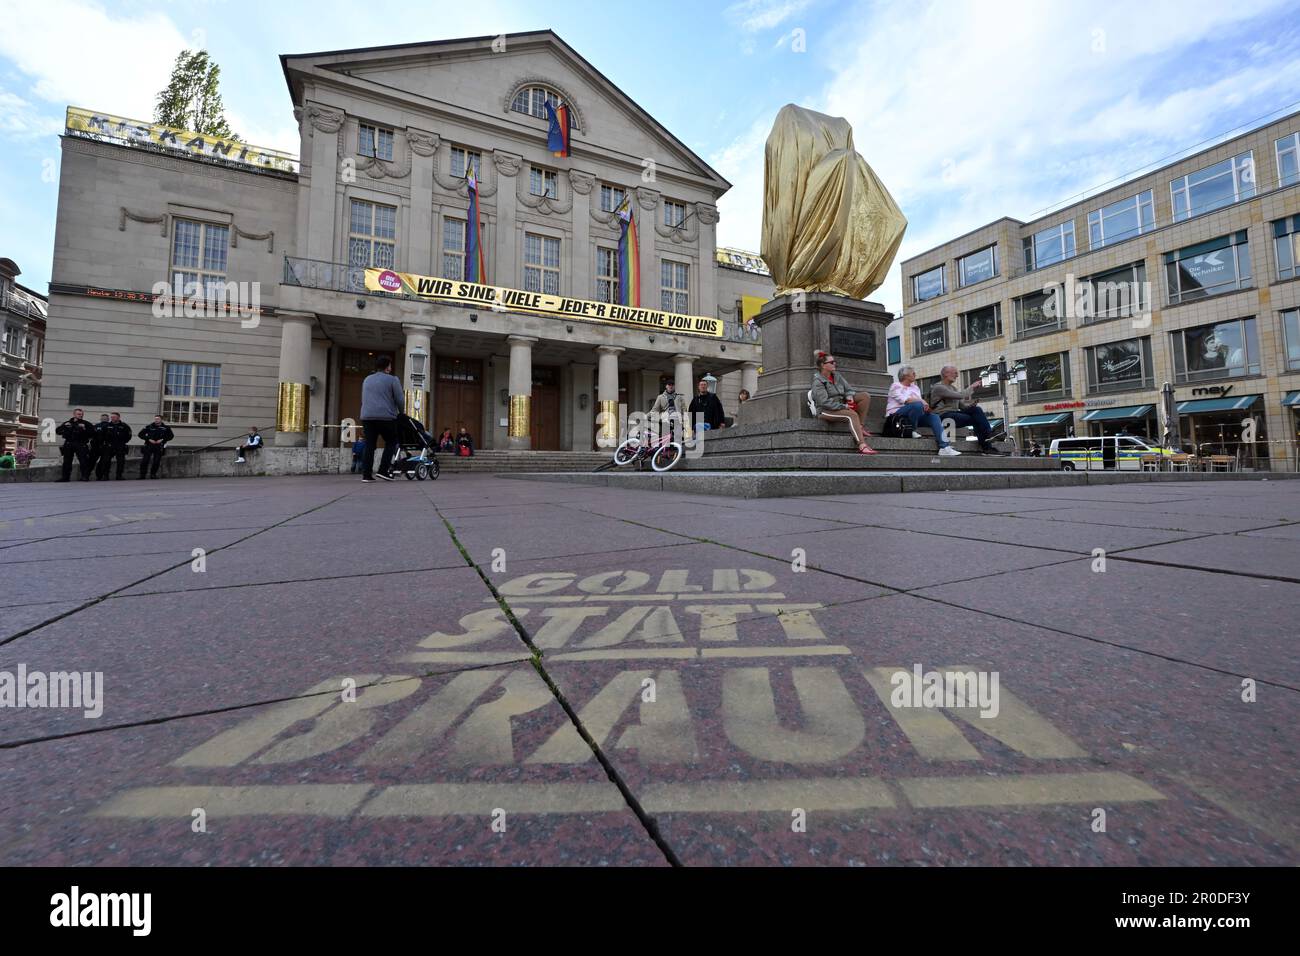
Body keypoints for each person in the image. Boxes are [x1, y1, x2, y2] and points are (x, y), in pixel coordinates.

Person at [810, 351, 875, 454]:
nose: (834, 364)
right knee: (852, 414)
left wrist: (849, 397)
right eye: (831, 362)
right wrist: (844, 406)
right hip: (825, 410)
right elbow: (824, 402)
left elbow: (848, 389)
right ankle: (862, 444)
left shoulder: (837, 376)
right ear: (823, 365)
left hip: (841, 405)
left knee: (865, 396)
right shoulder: (818, 382)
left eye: (834, 362)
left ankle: (860, 426)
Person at [929, 365, 1001, 455]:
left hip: (954, 414)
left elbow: (962, 407)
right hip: (943, 416)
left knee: (976, 410)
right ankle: (987, 440)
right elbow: (960, 395)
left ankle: (987, 443)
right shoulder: (938, 387)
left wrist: (971, 405)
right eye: (955, 373)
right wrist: (972, 387)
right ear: (946, 374)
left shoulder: (954, 388)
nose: (957, 376)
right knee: (976, 419)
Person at [888, 366, 959, 456]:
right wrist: (922, 401)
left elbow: (920, 404)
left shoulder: (915, 388)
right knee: (917, 405)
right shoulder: (895, 386)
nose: (915, 375)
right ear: (905, 375)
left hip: (914, 414)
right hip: (897, 415)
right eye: (913, 373)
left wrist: (926, 407)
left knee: (934, 416)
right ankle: (912, 430)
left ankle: (944, 447)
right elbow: (905, 400)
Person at [359, 355, 404, 482]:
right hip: (386, 417)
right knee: (391, 442)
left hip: (367, 417)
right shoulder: (392, 380)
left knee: (369, 445)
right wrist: (401, 413)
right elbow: (400, 399)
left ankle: (366, 475)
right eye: (390, 365)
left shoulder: (367, 379)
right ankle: (383, 471)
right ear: (388, 367)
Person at [56, 408, 95, 481]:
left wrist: (84, 429)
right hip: (69, 443)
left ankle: (85, 476)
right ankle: (65, 477)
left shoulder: (86, 423)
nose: (81, 415)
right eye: (79, 414)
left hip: (81, 443)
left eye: (82, 414)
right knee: (67, 461)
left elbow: (92, 434)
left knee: (83, 460)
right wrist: (63, 426)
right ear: (74, 414)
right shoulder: (67, 423)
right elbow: (58, 432)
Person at [97, 412, 132, 480]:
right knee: (106, 461)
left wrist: (123, 442)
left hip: (120, 446)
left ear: (118, 417)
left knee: (121, 461)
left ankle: (119, 475)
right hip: (109, 446)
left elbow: (129, 435)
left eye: (114, 417)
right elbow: (101, 436)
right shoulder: (106, 426)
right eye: (111, 417)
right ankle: (105, 475)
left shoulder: (124, 426)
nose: (112, 418)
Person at [88, 413, 112, 479]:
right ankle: (86, 475)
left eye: (105, 418)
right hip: (96, 446)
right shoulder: (96, 426)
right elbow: (91, 435)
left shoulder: (111, 426)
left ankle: (102, 475)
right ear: (100, 419)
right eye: (103, 418)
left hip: (106, 447)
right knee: (91, 461)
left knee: (104, 462)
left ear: (108, 419)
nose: (104, 419)